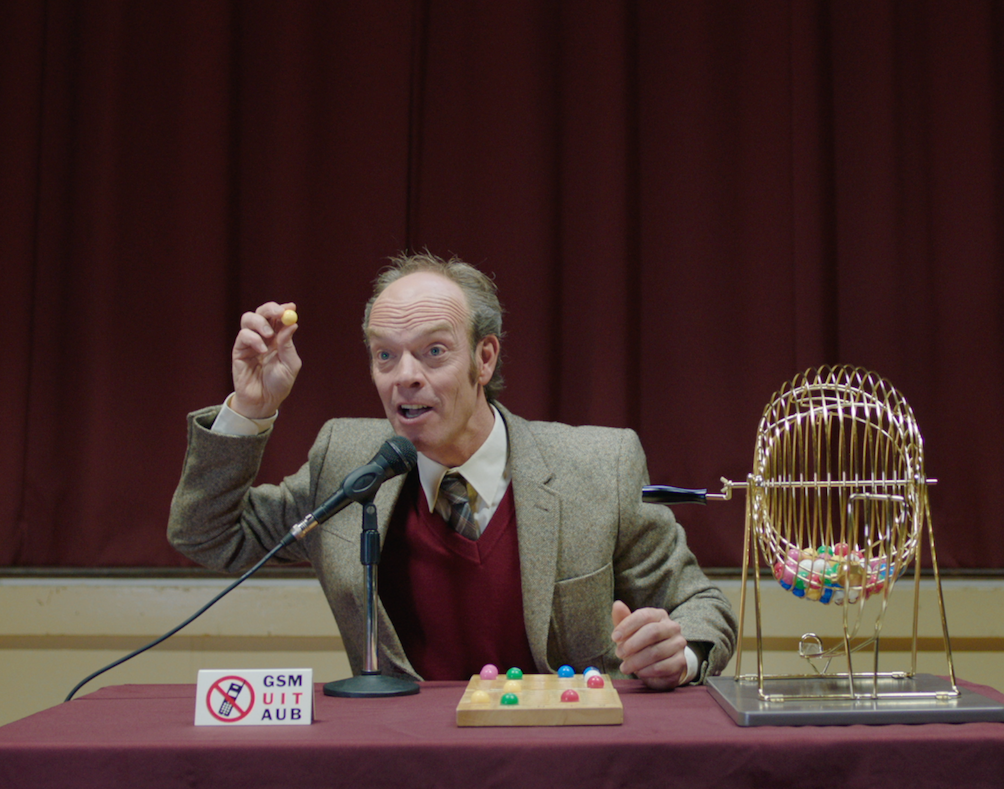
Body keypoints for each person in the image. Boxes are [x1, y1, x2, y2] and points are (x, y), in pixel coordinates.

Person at [168, 252, 736, 689]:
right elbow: (208, 535)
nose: (404, 376)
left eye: (433, 351)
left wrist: (679, 655)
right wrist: (251, 409)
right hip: (406, 763)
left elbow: (703, 607)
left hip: (563, 756)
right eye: (385, 355)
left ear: (484, 358)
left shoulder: (596, 467)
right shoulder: (346, 459)